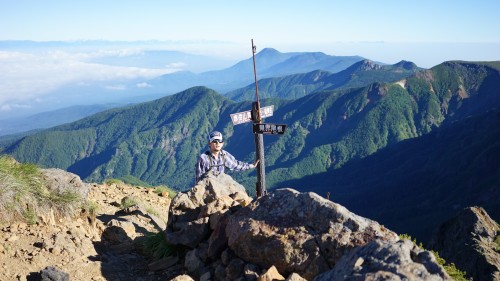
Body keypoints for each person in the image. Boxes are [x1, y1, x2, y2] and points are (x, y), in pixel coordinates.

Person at [195, 131, 259, 182]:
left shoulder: (224, 155)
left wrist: (252, 165)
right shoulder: (203, 158)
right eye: (214, 141)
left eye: (219, 141)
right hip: (208, 191)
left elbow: (236, 165)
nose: (218, 143)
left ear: (222, 143)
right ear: (209, 143)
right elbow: (199, 179)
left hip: (222, 188)